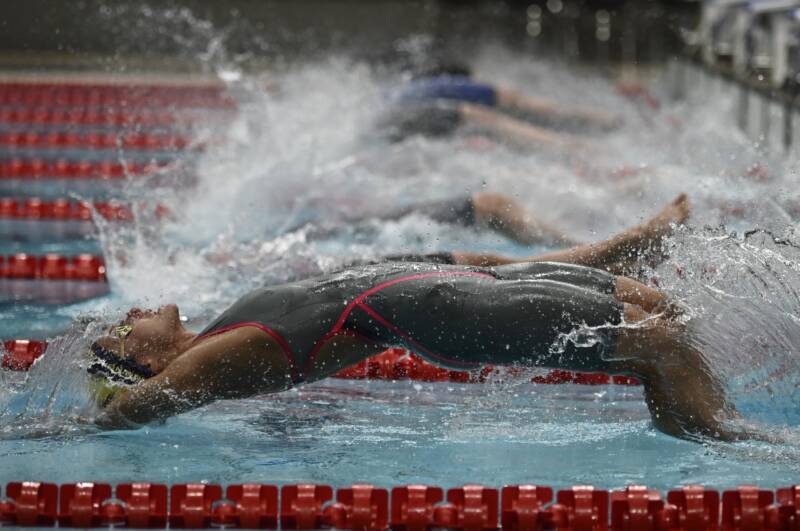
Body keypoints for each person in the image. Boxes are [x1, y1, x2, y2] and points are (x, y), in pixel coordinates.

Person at [87, 195, 739, 441]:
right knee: (662, 341)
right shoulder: (215, 357)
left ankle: (716, 426)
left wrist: (619, 242)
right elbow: (134, 407)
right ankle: (734, 445)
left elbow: (465, 259)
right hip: (446, 310)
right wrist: (64, 424)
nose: (124, 317)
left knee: (659, 307)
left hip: (454, 282)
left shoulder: (220, 323)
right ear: (144, 361)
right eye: (117, 335)